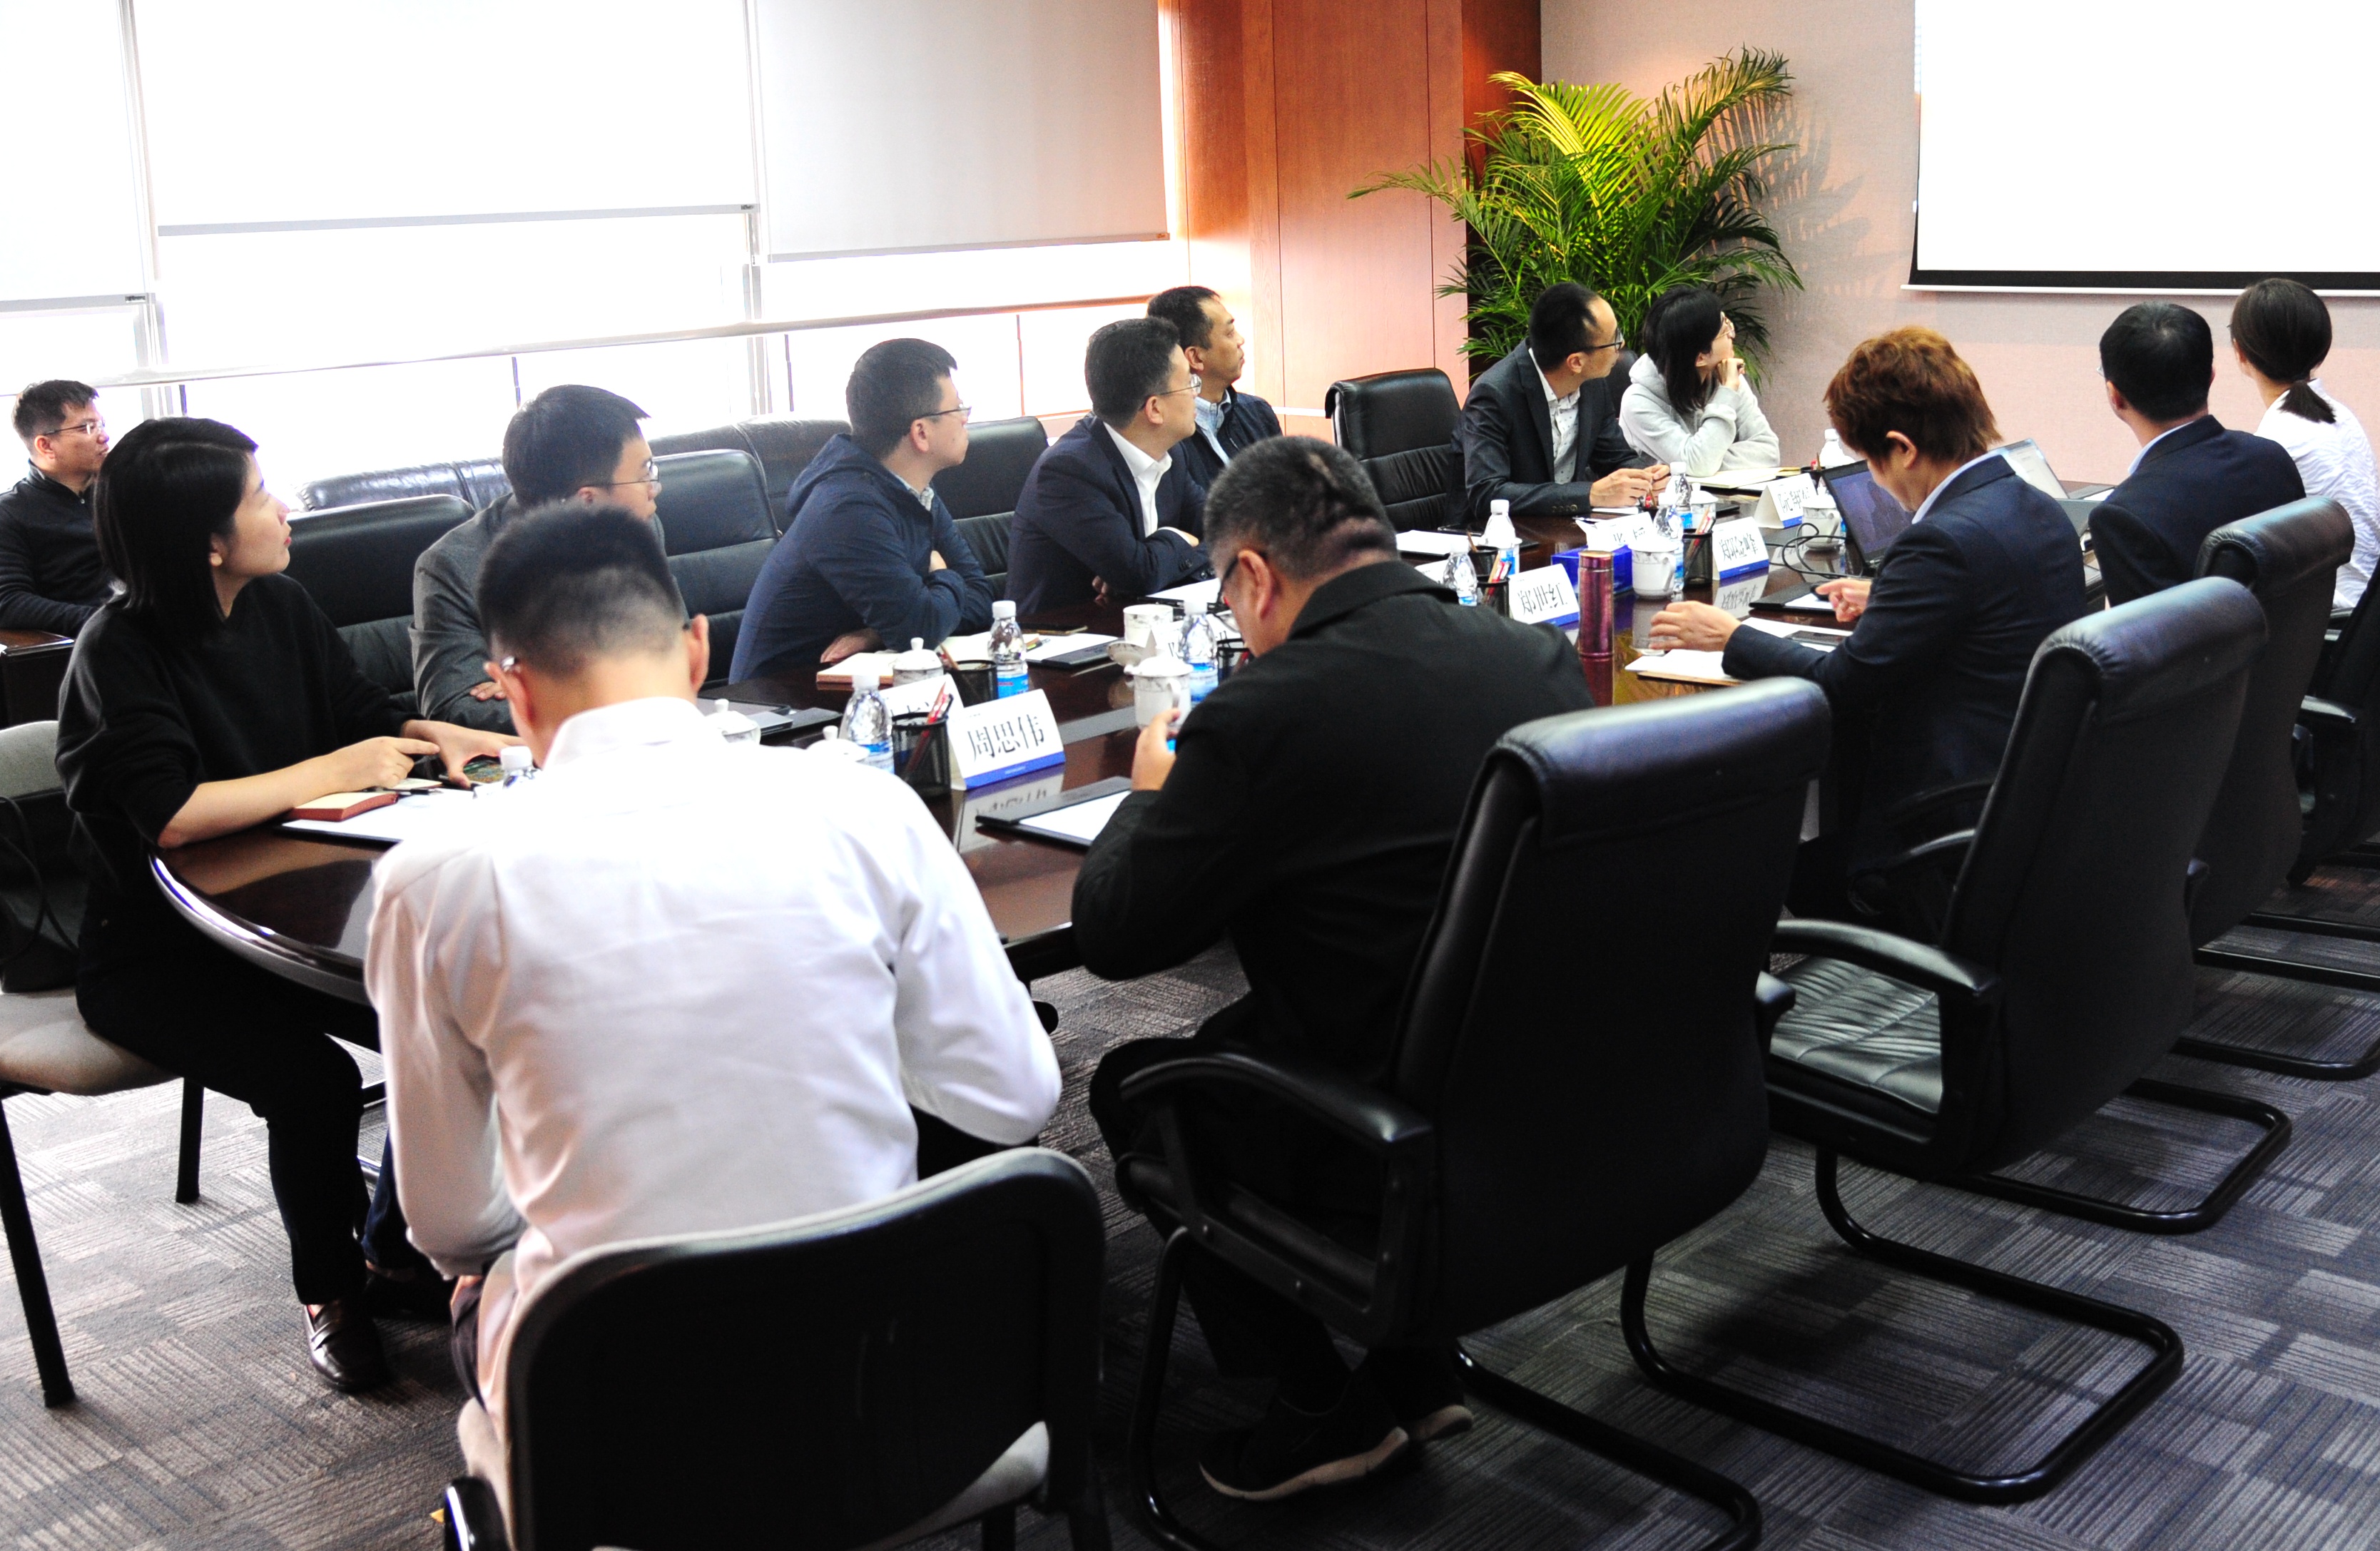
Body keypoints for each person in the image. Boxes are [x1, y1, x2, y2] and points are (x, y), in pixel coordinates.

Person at [370, 504, 1059, 1463]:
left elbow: (450, 1221)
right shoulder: (867, 806)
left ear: (512, 689)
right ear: (697, 648)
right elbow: (1013, 1095)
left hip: (626, 1419)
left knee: (481, 1288)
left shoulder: (435, 878)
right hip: (886, 1385)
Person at [1079, 437, 1595, 1503]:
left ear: (1254, 574)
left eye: (1229, 598)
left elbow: (1118, 937)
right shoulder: (1532, 657)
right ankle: (1411, 1362)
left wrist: (1149, 791)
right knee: (1277, 1022)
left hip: (1379, 1121)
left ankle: (1317, 1401)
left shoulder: (1266, 712)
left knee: (1134, 1086)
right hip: (1544, 1082)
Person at [54, 417, 516, 1392]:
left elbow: (356, 716)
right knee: (314, 1082)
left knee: (444, 1026)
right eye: (262, 494)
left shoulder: (280, 603)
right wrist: (337, 767)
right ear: (207, 541)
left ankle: (392, 1249)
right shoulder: (117, 647)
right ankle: (330, 1291)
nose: (285, 508)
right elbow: (171, 814)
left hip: (288, 919)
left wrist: (425, 732)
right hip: (157, 952)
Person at [1646, 327, 2087, 916]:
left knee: (1744, 878)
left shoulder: (1940, 543)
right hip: (2025, 809)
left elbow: (1841, 685)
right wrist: (1893, 598)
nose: (1876, 481)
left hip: (1941, 834)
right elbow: (1990, 605)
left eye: (1870, 462)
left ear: (1902, 449)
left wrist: (1732, 637)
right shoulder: (2035, 506)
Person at [731, 339, 995, 678]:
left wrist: (878, 634)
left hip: (864, 681)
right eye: (957, 409)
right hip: (784, 695)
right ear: (921, 433)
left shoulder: (915, 489)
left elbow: (981, 599)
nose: (965, 419)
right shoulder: (847, 508)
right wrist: (942, 573)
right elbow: (921, 627)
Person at [412, 385, 663, 731]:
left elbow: (668, 656)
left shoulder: (638, 530)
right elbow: (455, 708)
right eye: (644, 473)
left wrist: (537, 689)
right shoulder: (453, 566)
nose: (654, 487)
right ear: (587, 500)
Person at [2090, 302, 2304, 606]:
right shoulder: (2272, 457)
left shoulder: (2123, 517)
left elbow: (2148, 636)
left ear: (2115, 396)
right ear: (2211, 376)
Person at [1007, 317, 1209, 612]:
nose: (1196, 394)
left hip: (1142, 621)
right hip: (1068, 632)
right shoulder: (1068, 471)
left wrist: (1160, 559)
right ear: (1154, 409)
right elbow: (1139, 574)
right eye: (1189, 384)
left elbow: (1228, 533)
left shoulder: (1172, 453)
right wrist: (1177, 540)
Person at [1455, 282, 1667, 526]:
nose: (1622, 345)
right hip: (1496, 536)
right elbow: (1487, 493)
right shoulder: (1494, 395)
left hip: (1565, 528)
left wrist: (1645, 478)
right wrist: (1589, 495)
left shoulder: (1592, 383)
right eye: (1614, 340)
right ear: (1576, 362)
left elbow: (1615, 458)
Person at [2230, 278, 2380, 611]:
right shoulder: (2342, 415)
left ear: (2240, 352)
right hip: (2364, 612)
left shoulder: (2278, 438)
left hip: (2334, 620)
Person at [1617, 286, 1782, 475]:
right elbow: (1699, 465)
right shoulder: (1638, 402)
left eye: (1727, 322)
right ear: (1701, 357)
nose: (1733, 334)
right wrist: (1727, 393)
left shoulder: (1725, 376)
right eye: (1725, 331)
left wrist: (1700, 462)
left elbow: (1769, 452)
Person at [1, 380, 118, 634]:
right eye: (87, 428)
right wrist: (108, 623)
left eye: (102, 424)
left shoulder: (121, 493)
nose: (104, 436)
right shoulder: (10, 513)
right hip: (82, 642)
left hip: (149, 631)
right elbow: (8, 602)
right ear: (45, 445)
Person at [1146, 285, 1281, 492]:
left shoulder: (1257, 412)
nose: (1240, 340)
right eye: (1229, 333)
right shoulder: (1165, 436)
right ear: (1196, 357)